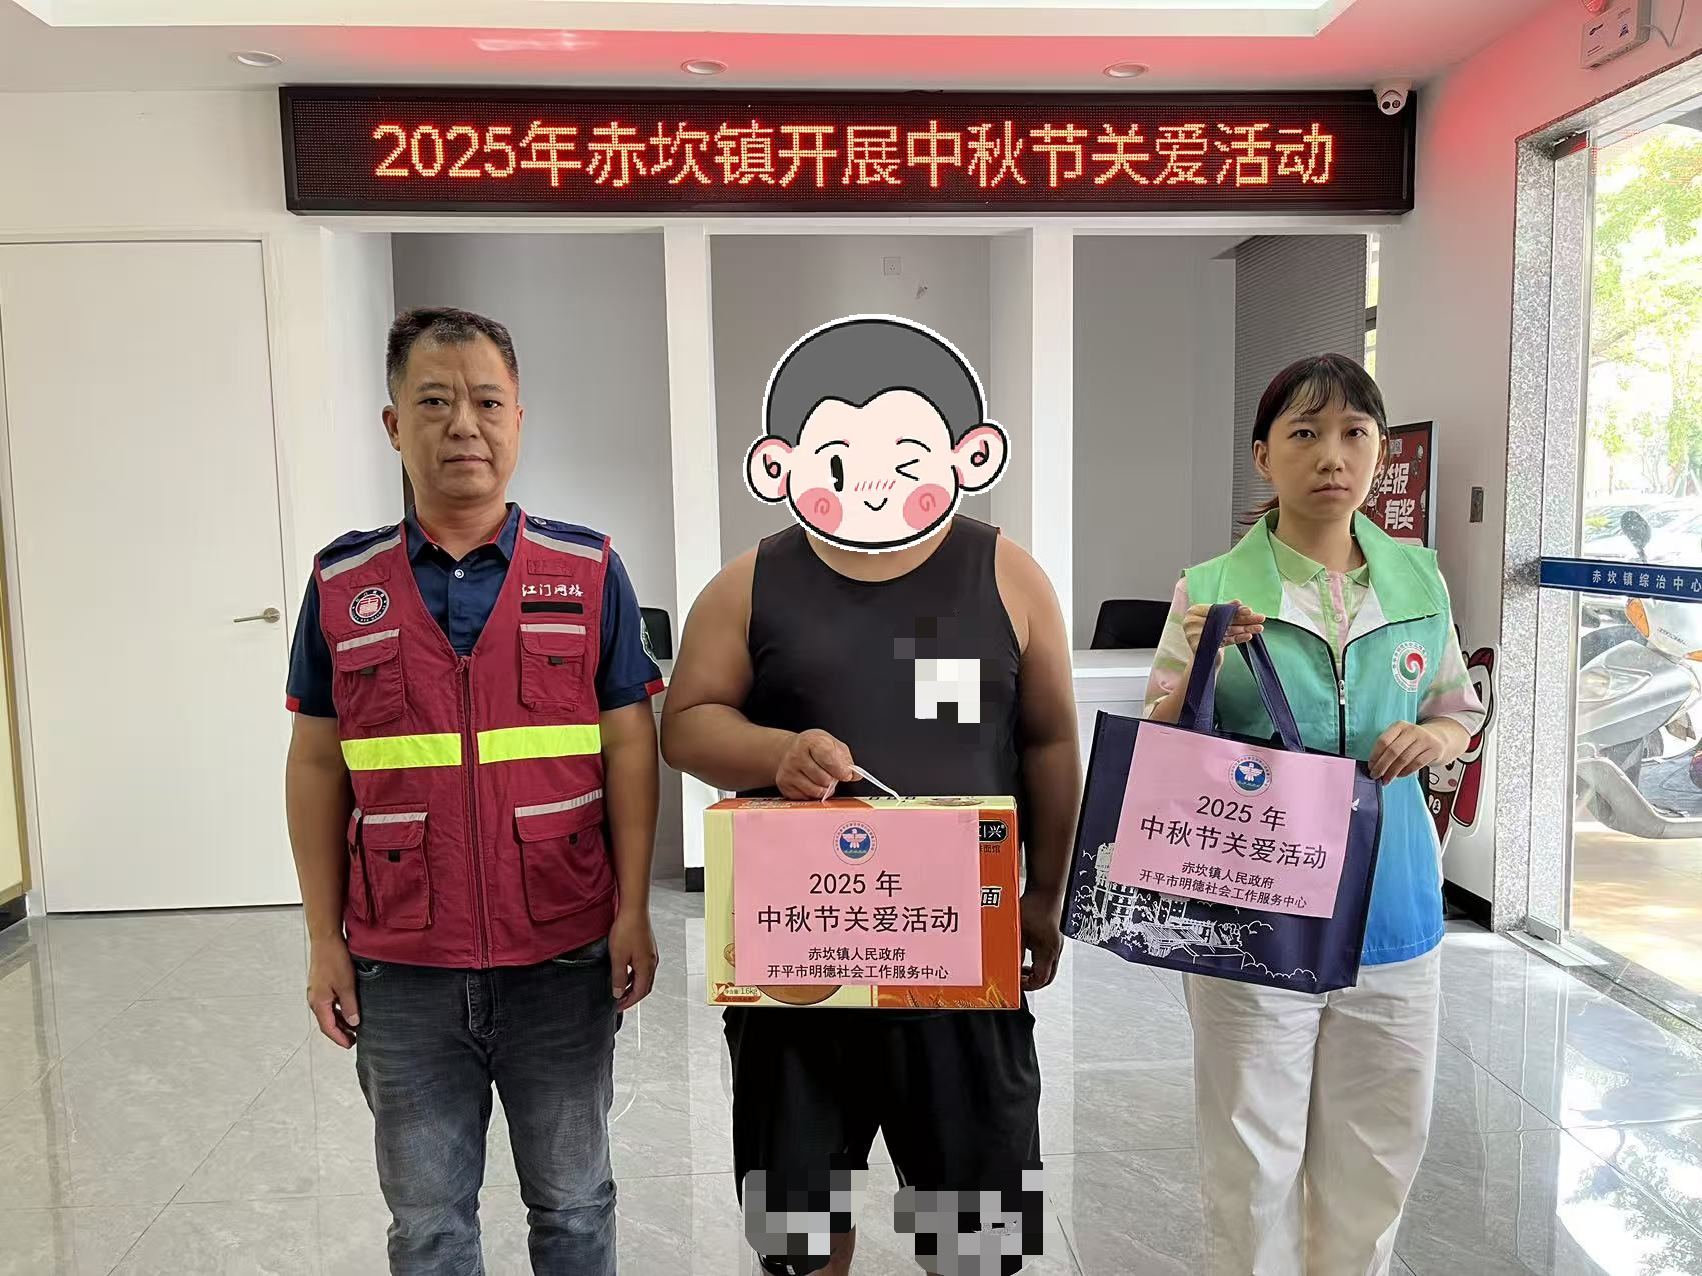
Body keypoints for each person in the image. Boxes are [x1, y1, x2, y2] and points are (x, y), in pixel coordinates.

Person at [660, 315, 1081, 1275]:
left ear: (966, 455)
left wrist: (1047, 893)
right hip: (795, 969)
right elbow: (686, 722)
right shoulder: (751, 582)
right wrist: (776, 752)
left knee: (974, 1241)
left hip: (961, 961)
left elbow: (1050, 740)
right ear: (783, 464)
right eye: (841, 458)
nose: (876, 481)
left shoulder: (1007, 574)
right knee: (798, 1239)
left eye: (907, 455)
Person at [282, 306, 663, 1275]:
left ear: (519, 419)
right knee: (427, 1223)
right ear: (392, 424)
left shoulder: (587, 571)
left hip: (562, 953)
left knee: (574, 1205)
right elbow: (318, 763)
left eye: (488, 403)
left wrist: (633, 910)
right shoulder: (342, 585)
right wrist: (323, 938)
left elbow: (630, 744)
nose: (464, 426)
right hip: (403, 962)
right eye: (434, 403)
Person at [1144, 353, 1485, 1276]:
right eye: (1305, 433)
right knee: (1250, 1156)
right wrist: (1208, 660)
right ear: (1264, 455)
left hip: (1394, 905)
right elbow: (1161, 737)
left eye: (1353, 434)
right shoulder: (1212, 588)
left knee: (1379, 1151)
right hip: (1254, 905)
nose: (1332, 455)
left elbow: (1457, 707)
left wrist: (1434, 739)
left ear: (1379, 452)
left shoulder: (1418, 580)